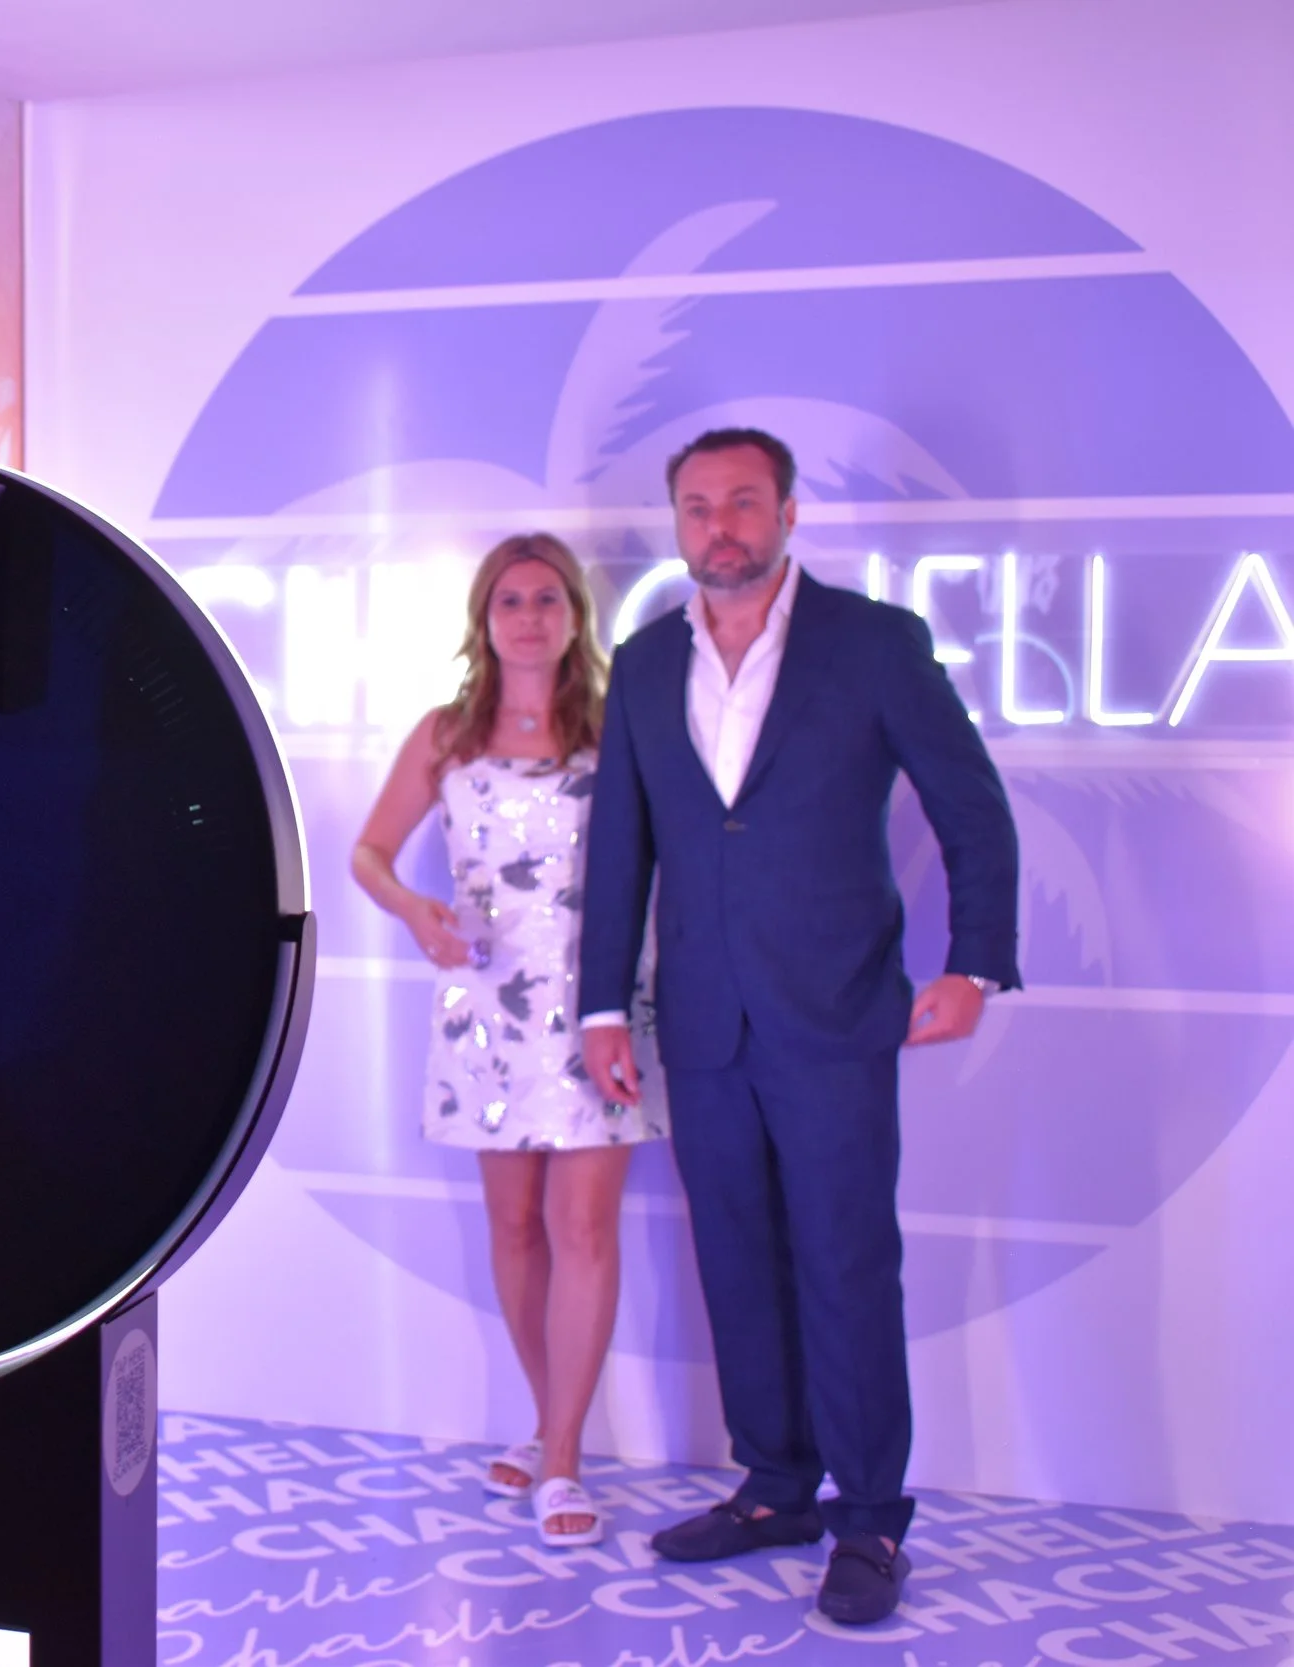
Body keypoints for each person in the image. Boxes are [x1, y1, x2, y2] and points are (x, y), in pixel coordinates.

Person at [578, 429, 1021, 1626]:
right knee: (735, 1259)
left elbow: (971, 806)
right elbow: (621, 846)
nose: (717, 525)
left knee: (843, 1261)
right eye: (696, 505)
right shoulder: (644, 659)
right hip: (701, 1020)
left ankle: (869, 1516)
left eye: (741, 501)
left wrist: (974, 962)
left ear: (785, 513)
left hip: (834, 1011)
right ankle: (775, 1483)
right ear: (677, 521)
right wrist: (604, 1001)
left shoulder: (871, 643)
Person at [353, 532, 666, 1550]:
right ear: (484, 620)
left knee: (584, 1229)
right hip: (487, 1006)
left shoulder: (618, 729)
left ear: (576, 615)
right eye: (509, 601)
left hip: (601, 1004)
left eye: (546, 598)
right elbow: (369, 852)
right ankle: (547, 1422)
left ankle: (562, 1456)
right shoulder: (446, 733)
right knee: (517, 1227)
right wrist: (415, 910)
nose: (528, 617)